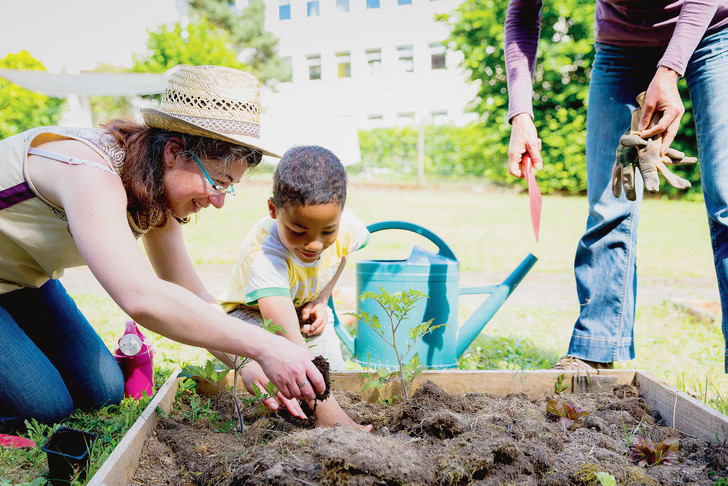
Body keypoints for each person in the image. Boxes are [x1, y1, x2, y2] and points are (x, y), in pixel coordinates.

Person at [0, 65, 325, 430]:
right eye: (219, 182)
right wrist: (266, 346)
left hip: (23, 282)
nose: (219, 202)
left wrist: (244, 363)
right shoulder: (89, 172)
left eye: (229, 187)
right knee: (45, 407)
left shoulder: (150, 188)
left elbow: (189, 292)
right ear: (174, 152)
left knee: (103, 390)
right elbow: (141, 297)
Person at [504, 1, 728, 371]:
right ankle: (596, 347)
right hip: (622, 48)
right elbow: (522, 17)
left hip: (712, 33)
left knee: (725, 202)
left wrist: (669, 70)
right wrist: (521, 115)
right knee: (611, 203)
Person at [217, 145, 373, 429]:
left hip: (301, 313)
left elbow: (342, 255)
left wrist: (323, 300)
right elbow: (287, 337)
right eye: (298, 232)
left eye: (327, 232)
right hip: (251, 319)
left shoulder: (345, 225)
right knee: (281, 383)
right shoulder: (264, 255)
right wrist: (335, 422)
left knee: (334, 373)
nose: (314, 244)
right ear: (273, 210)